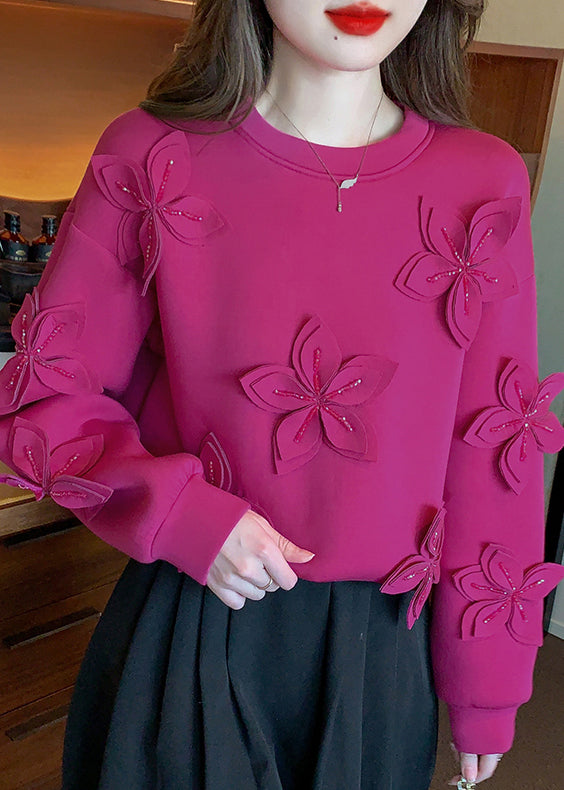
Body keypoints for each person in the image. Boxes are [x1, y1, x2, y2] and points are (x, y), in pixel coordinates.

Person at [1, 1, 563, 788]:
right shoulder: (151, 155)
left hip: (379, 653)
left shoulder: (482, 181)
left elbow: (495, 444)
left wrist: (488, 683)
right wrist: (181, 512)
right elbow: (41, 401)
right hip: (191, 623)